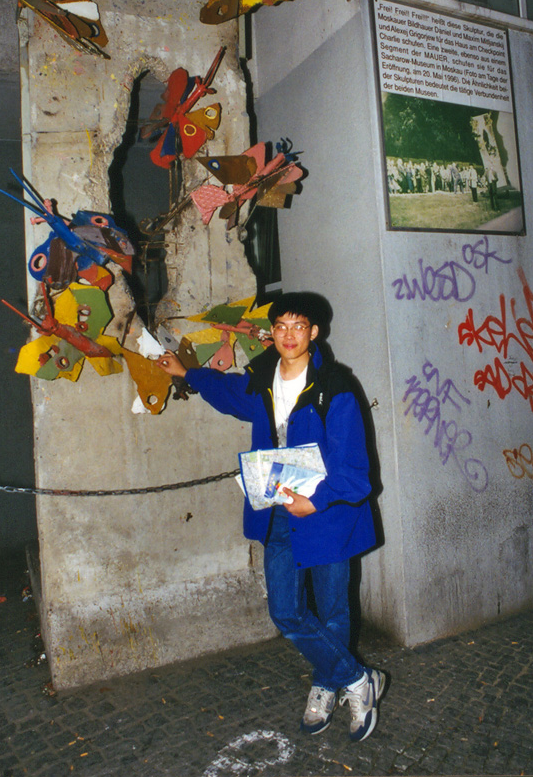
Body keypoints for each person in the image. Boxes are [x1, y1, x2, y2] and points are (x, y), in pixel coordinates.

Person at [158, 292, 385, 742]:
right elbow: (230, 394)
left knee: (333, 611)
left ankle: (328, 685)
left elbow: (355, 471)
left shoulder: (335, 387)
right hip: (279, 512)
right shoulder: (263, 377)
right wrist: (187, 374)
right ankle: (358, 679)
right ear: (273, 332)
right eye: (281, 326)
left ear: (313, 332)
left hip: (327, 516)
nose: (288, 335)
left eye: (298, 326)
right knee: (286, 613)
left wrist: (315, 502)